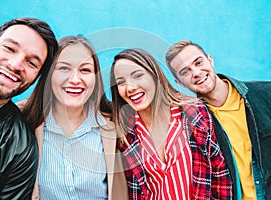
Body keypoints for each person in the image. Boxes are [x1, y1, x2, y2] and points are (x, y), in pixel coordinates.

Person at [110, 48, 233, 199]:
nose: (130, 87)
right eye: (121, 82)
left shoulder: (195, 114)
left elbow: (220, 175)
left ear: (154, 76)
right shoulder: (125, 134)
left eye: (138, 76)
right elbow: (133, 192)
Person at [20, 36, 128, 200]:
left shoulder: (118, 121)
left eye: (85, 70)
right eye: (64, 68)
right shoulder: (22, 119)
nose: (75, 80)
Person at [165, 40, 271, 200]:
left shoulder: (265, 94)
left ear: (210, 60)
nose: (196, 72)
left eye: (198, 62)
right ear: (179, 83)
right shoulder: (194, 124)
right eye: (185, 72)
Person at [0, 17, 58, 199]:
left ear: (36, 78)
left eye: (32, 63)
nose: (16, 65)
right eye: (9, 48)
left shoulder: (21, 149)